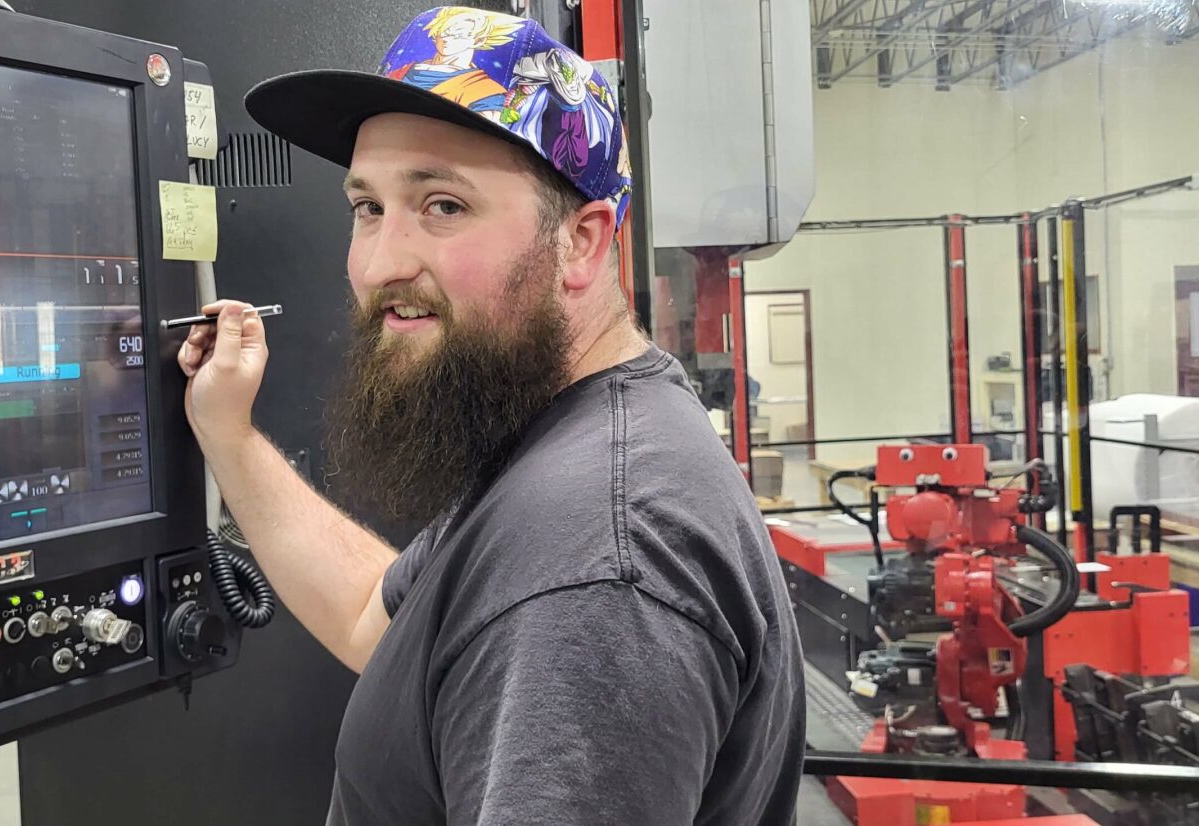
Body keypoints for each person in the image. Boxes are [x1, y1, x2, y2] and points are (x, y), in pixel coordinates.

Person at [179, 7, 803, 825]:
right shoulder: (562, 438)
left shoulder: (592, 572)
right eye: (368, 207)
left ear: (581, 243)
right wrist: (228, 433)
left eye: (443, 205)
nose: (379, 265)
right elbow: (382, 625)